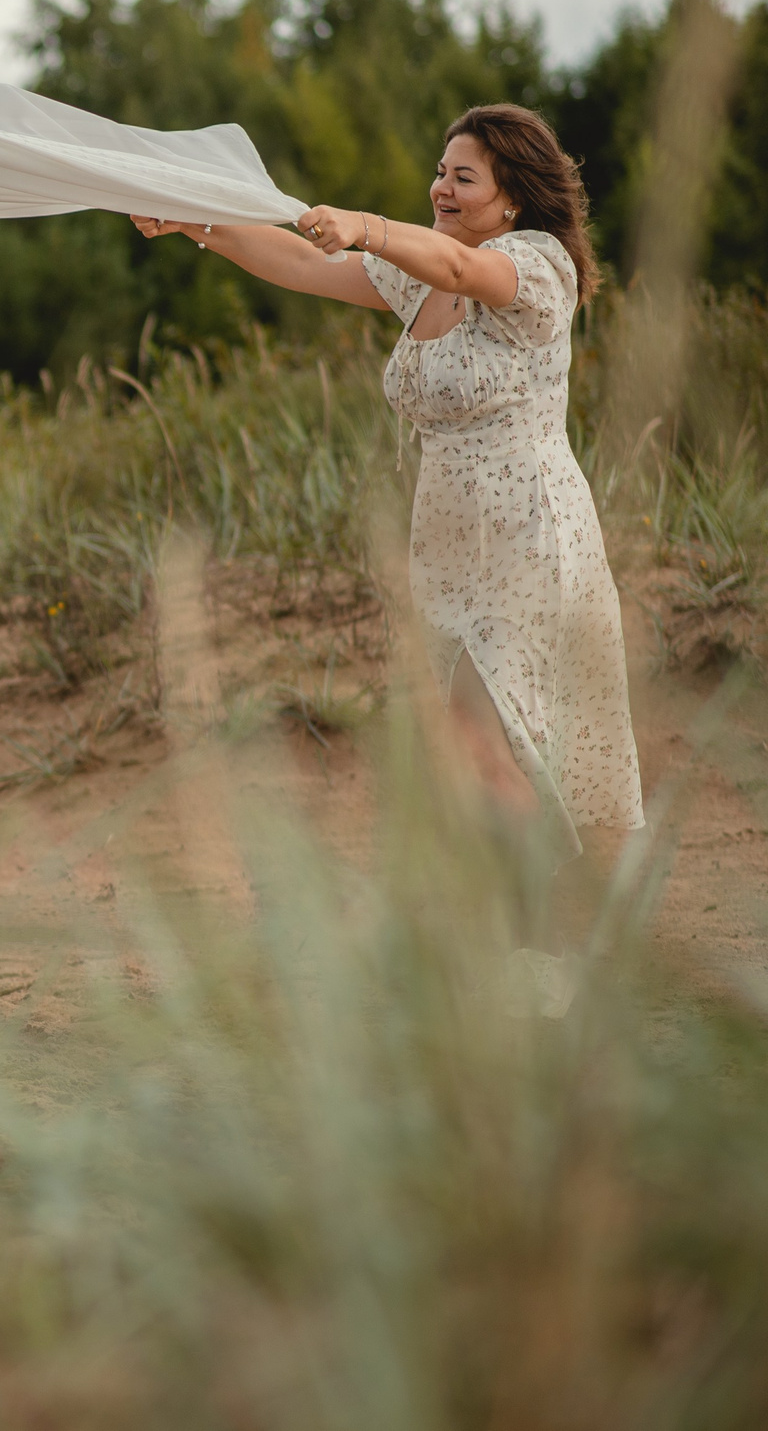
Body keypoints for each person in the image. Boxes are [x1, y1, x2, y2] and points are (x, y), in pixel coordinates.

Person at [131, 105, 642, 1008]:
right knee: (480, 753)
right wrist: (196, 223)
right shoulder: (423, 276)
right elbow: (301, 263)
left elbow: (459, 266)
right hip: (448, 545)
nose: (441, 188)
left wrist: (367, 224)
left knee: (491, 742)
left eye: (463, 177)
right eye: (440, 172)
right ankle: (531, 943)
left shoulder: (536, 267)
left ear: (514, 198)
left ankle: (541, 957)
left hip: (528, 537)